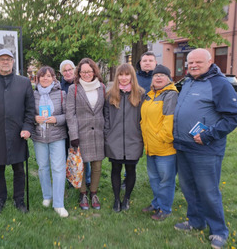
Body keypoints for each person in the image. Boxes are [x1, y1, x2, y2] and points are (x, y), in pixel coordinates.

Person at [173, 48, 237, 249]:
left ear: (210, 62)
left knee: (208, 190)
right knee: (188, 188)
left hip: (206, 148)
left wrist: (208, 135)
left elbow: (234, 116)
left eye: (198, 62)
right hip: (183, 146)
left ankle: (219, 231)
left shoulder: (219, 84)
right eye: (190, 62)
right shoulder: (189, 81)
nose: (193, 65)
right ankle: (196, 222)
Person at [0, 49, 35, 216]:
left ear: (13, 62)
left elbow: (30, 109)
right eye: (1, 59)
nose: (5, 62)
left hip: (18, 133)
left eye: (8, 59)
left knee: (19, 169)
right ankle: (0, 199)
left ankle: (19, 199)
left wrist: (27, 127)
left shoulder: (24, 82)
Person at [104, 63, 145, 212]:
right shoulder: (110, 95)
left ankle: (126, 197)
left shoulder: (140, 94)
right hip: (114, 139)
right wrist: (107, 133)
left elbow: (143, 117)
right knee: (115, 168)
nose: (124, 78)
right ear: (117, 77)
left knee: (131, 169)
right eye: (121, 75)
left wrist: (140, 134)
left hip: (133, 139)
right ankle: (116, 199)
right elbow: (106, 116)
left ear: (132, 76)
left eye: (127, 74)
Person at [66, 58, 105, 210]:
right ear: (79, 73)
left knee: (97, 165)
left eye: (89, 71)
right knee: (81, 165)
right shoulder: (74, 89)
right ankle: (83, 194)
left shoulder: (101, 87)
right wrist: (73, 135)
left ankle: (93, 192)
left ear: (94, 71)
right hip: (80, 133)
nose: (86, 74)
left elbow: (104, 111)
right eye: (83, 72)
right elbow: (70, 114)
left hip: (98, 133)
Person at [140, 64, 178, 220]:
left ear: (168, 78)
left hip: (165, 147)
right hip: (150, 147)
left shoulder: (170, 95)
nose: (159, 77)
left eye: (163, 75)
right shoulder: (149, 95)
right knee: (154, 179)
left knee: (165, 180)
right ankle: (156, 203)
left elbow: (169, 121)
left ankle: (165, 208)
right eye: (156, 75)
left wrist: (163, 138)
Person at [32, 66, 68, 218]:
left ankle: (59, 204)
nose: (45, 78)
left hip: (57, 136)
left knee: (59, 169)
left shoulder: (61, 94)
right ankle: (47, 196)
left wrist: (57, 119)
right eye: (42, 76)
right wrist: (35, 118)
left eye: (49, 76)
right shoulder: (32, 95)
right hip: (39, 136)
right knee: (42, 167)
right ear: (38, 78)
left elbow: (68, 115)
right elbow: (27, 113)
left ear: (54, 78)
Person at [60, 59, 92, 187]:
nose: (68, 72)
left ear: (74, 70)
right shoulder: (59, 86)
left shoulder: (81, 84)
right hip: (64, 126)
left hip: (80, 126)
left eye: (70, 69)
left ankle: (87, 179)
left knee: (83, 154)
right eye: (65, 70)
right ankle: (71, 179)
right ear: (61, 73)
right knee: (67, 154)